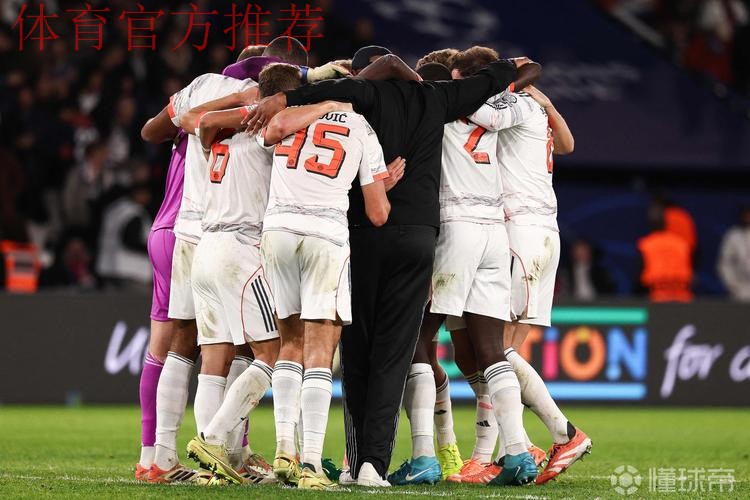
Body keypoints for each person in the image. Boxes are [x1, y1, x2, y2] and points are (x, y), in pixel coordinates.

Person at [245, 51, 540, 486]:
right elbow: (500, 77)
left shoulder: (358, 95)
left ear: (365, 72)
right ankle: (373, 466)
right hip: (419, 238)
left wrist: (285, 97)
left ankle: (354, 460)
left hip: (362, 235)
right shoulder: (439, 97)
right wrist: (510, 68)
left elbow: (330, 91)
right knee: (394, 355)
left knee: (358, 353)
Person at [182, 65, 314, 485]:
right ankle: (215, 439)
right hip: (242, 249)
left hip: (206, 248)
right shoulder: (273, 129)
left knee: (214, 359)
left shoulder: (218, 131)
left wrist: (240, 105)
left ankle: (216, 466)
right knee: (274, 352)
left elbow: (199, 120)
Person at [258, 91, 390, 490]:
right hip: (325, 234)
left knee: (289, 342)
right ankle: (312, 463)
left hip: (278, 229)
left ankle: (285, 448)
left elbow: (271, 132)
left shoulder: (293, 113)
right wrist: (385, 185)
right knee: (319, 349)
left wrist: (321, 106)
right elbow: (378, 213)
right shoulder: (361, 126)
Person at [637, 208, 693, 302]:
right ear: (666, 223)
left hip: (656, 299)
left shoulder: (646, 245)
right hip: (682, 299)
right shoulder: (681, 244)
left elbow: (638, 279)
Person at [718, 207, 750, 301]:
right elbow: (725, 264)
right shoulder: (733, 235)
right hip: (741, 289)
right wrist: (733, 285)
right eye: (746, 215)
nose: (748, 218)